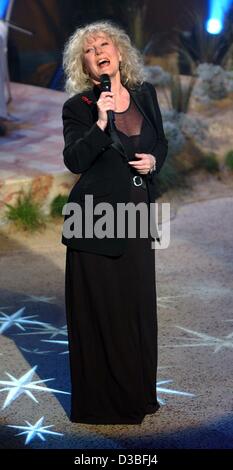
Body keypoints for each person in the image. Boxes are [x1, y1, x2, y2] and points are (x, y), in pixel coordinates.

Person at [61, 20, 168, 425]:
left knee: (138, 308)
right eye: (88, 50)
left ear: (119, 52)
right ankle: (105, 404)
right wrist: (101, 124)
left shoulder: (145, 94)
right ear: (85, 66)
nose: (98, 52)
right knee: (104, 313)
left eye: (103, 44)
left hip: (136, 218)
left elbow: (159, 140)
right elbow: (75, 160)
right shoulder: (79, 109)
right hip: (93, 222)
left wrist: (155, 160)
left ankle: (139, 395)